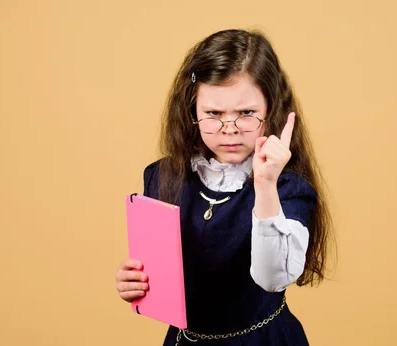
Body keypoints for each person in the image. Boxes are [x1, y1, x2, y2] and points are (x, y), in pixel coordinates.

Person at [115, 28, 333, 345]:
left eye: (246, 113)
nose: (229, 130)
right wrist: (135, 282)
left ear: (271, 109)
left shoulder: (288, 187)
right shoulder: (163, 176)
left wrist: (266, 183)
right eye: (213, 113)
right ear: (192, 111)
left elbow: (273, 279)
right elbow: (160, 276)